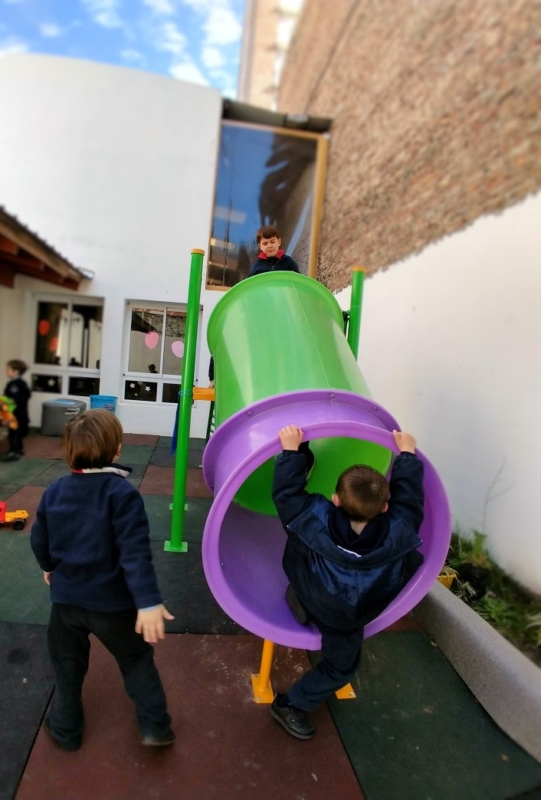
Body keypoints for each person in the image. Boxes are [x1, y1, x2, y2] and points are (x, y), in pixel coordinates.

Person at [30, 409, 175, 751]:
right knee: (135, 660)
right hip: (112, 606)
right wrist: (148, 602)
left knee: (67, 666)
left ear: (69, 452)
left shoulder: (54, 491)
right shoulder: (122, 494)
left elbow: (39, 539)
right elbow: (134, 553)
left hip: (66, 603)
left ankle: (65, 730)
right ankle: (155, 727)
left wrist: (49, 566)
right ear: (117, 450)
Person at [270, 425, 425, 740]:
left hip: (312, 587)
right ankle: (295, 701)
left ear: (335, 500)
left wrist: (292, 451)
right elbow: (410, 502)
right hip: (348, 616)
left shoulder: (314, 515)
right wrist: (408, 457)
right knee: (341, 668)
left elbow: (286, 494)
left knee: (298, 534)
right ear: (385, 507)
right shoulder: (400, 528)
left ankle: (288, 703)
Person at [207, 225, 301, 386]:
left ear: (279, 242)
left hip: (281, 311)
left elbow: (297, 285)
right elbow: (250, 290)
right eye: (265, 243)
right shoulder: (257, 267)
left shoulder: (289, 263)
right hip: (262, 311)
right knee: (230, 331)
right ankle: (214, 377)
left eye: (272, 241)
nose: (269, 245)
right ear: (259, 246)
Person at [2, 359, 31, 462]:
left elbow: (26, 395)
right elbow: (6, 396)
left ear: (16, 371)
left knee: (15, 433)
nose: (6, 372)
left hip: (19, 413)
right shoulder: (10, 384)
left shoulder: (20, 383)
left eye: (8, 369)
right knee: (13, 432)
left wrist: (15, 399)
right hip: (11, 413)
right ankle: (17, 449)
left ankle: (15, 451)